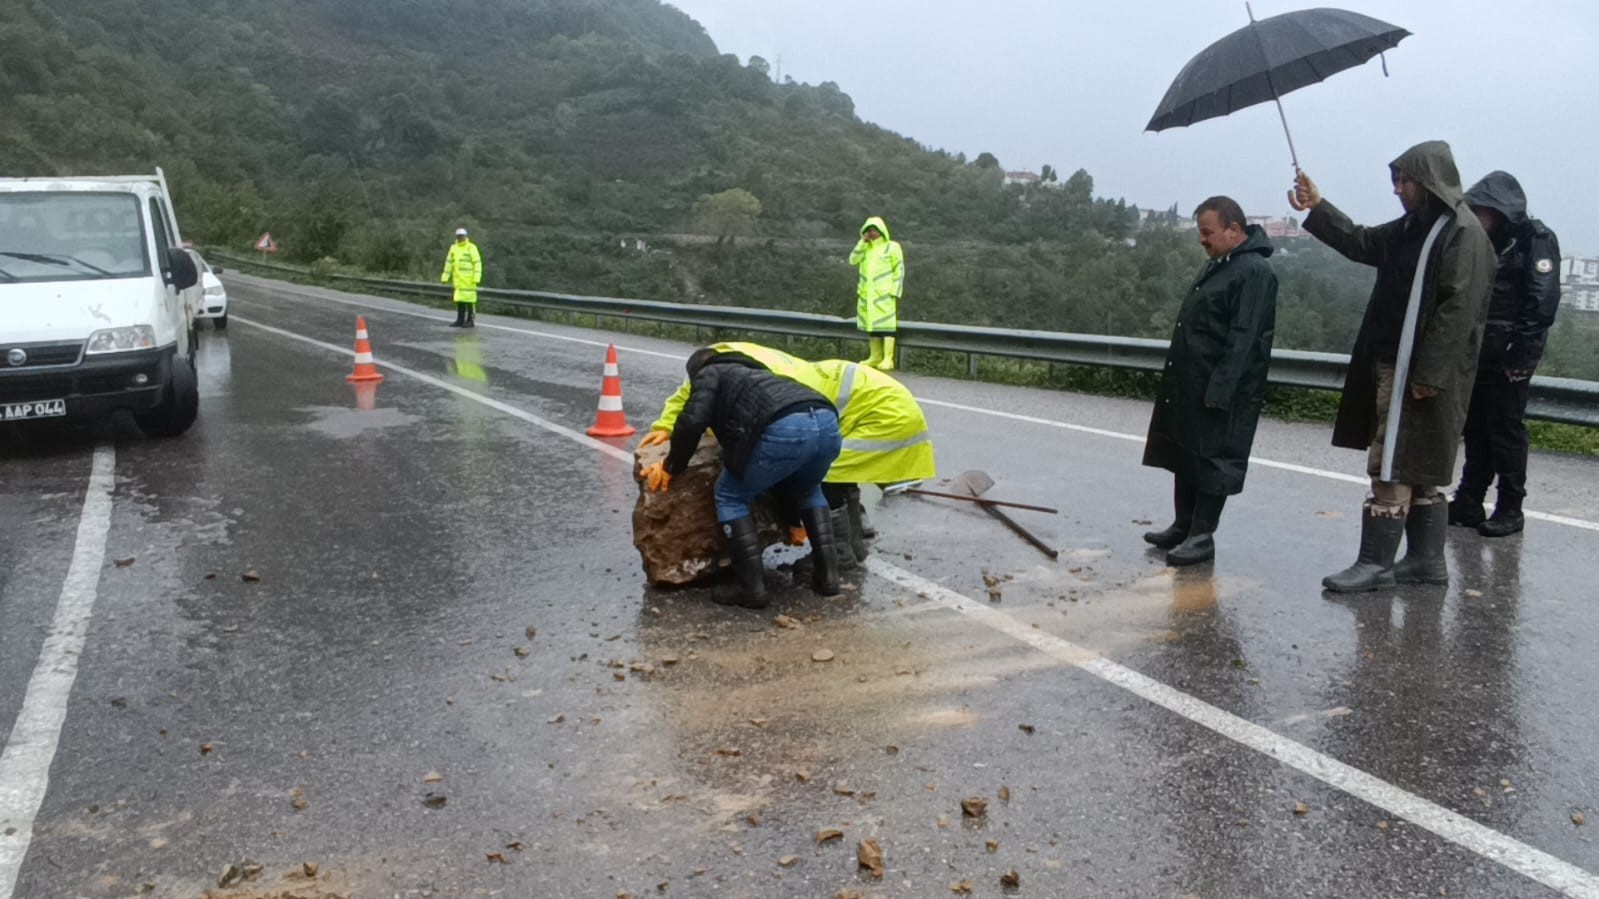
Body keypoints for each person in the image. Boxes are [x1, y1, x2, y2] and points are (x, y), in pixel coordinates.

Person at [1289, 141, 1495, 592]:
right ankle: (1425, 561)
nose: (1398, 190)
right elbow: (1362, 242)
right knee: (1417, 465)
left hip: (1420, 371)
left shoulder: (1461, 232)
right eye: (1396, 181)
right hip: (1397, 362)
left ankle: (1376, 563)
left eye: (1405, 182)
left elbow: (1458, 310)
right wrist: (1318, 206)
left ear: (1429, 182)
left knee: (1395, 461)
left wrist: (1429, 374)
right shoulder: (1414, 227)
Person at [640, 341, 937, 564]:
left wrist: (792, 518)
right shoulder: (734, 359)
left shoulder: (773, 378)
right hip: (878, 405)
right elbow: (692, 394)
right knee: (838, 472)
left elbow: (778, 442)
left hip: (884, 413)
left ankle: (841, 557)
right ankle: (855, 542)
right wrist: (666, 425)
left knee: (823, 475)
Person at [640, 349, 843, 609]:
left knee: (730, 495)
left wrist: (671, 466)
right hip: (827, 422)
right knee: (809, 489)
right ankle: (828, 579)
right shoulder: (761, 374)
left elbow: (692, 421)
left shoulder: (710, 372)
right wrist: (792, 520)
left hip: (786, 427)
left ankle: (752, 590)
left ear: (696, 372)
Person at [1141, 196, 1278, 566]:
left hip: (1223, 387)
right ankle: (1183, 525)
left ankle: (1202, 535)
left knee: (1213, 459)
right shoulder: (1221, 264)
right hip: (1194, 380)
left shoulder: (1253, 271)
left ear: (1234, 230)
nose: (1202, 240)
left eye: (1208, 232)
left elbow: (1243, 337)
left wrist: (1221, 389)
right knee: (1186, 453)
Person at [1448, 171, 1561, 538]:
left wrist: (1521, 355)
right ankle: (1469, 500)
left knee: (1505, 431)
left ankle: (1511, 508)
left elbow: (1542, 302)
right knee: (1477, 427)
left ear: (1499, 211)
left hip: (1511, 353)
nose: (1476, 217)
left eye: (1482, 211)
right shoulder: (1486, 241)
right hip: (1479, 349)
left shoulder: (1536, 240)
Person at [849, 216, 904, 371]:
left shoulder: (892, 247)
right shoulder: (866, 248)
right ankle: (875, 356)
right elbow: (853, 260)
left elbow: (899, 269)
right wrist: (862, 243)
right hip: (868, 294)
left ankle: (888, 358)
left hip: (884, 294)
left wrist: (895, 290)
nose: (872, 233)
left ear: (881, 231)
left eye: (874, 230)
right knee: (872, 326)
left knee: (887, 326)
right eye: (868, 231)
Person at [440, 227, 482, 328]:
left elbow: (477, 263)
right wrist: (445, 277)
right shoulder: (453, 248)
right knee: (460, 301)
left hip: (469, 280)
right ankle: (460, 320)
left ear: (466, 236)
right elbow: (449, 263)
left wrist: (476, 277)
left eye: (462, 236)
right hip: (458, 280)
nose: (460, 238)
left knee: (470, 301)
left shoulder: (471, 247)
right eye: (459, 236)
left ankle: (470, 320)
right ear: (456, 237)